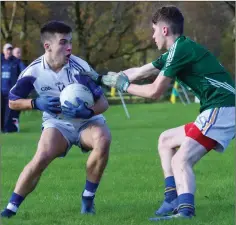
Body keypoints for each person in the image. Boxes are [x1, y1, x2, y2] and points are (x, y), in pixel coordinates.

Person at [84, 6, 235, 221]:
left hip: (222, 108)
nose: (152, 36)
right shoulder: (176, 52)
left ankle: (185, 212)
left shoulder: (181, 50)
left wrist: (124, 86)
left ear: (164, 30)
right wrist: (100, 78)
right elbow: (138, 72)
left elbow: (155, 91)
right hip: (218, 110)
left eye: (154, 30)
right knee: (166, 140)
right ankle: (171, 198)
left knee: (181, 160)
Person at [1, 20, 111, 218]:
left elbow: (103, 103)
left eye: (70, 42)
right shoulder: (33, 72)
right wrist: (36, 104)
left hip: (87, 122)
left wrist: (88, 112)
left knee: (103, 139)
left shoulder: (80, 68)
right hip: (57, 123)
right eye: (63, 42)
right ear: (47, 46)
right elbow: (12, 101)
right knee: (41, 156)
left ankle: (88, 199)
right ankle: (11, 208)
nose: (69, 47)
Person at [1, 43, 26, 133]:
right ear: (3, 51)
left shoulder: (15, 62)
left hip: (10, 92)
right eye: (7, 49)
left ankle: (7, 129)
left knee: (9, 112)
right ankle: (3, 128)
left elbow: (25, 72)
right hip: (1, 91)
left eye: (10, 49)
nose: (9, 51)